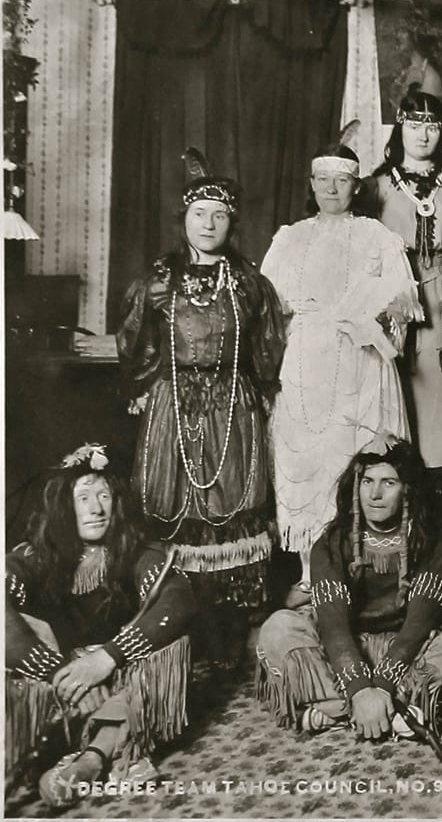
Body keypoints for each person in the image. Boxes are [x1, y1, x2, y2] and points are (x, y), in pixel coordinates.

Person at [117, 152, 284, 661]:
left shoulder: (249, 283)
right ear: (184, 218)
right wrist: (143, 386)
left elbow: (266, 347)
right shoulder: (159, 281)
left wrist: (263, 394)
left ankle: (231, 636)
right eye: (199, 214)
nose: (208, 224)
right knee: (174, 510)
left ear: (232, 223)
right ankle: (176, 631)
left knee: (231, 508)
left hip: (233, 406)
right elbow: (135, 341)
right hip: (174, 408)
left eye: (219, 215)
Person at [262, 138, 422, 599]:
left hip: (361, 363)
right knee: (305, 464)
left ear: (357, 186)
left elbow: (405, 307)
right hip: (303, 362)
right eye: (323, 179)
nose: (332, 188)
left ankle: (362, 572)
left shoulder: (377, 237)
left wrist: (377, 317)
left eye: (342, 179)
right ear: (311, 184)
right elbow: (266, 310)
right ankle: (310, 573)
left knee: (354, 457)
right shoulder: (289, 238)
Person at [257, 438, 442, 738]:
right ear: (356, 486)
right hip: (345, 649)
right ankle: (396, 712)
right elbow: (334, 627)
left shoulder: (433, 543)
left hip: (406, 650)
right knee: (278, 629)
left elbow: (417, 628)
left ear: (408, 489)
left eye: (388, 482)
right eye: (367, 481)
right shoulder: (332, 543)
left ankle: (335, 711)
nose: (375, 494)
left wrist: (382, 686)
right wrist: (360, 690)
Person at [6, 445, 195, 807]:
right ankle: (102, 752)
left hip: (124, 676)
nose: (96, 508)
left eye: (104, 496)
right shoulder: (35, 556)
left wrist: (107, 659)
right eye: (83, 498)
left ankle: (91, 759)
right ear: (64, 506)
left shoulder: (139, 552)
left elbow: (178, 602)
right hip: (65, 685)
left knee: (171, 647)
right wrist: (62, 675)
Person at [369, 88, 442, 478]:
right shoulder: (377, 185)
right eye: (415, 125)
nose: (423, 135)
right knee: (394, 395)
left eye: (432, 126)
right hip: (392, 301)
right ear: (400, 127)